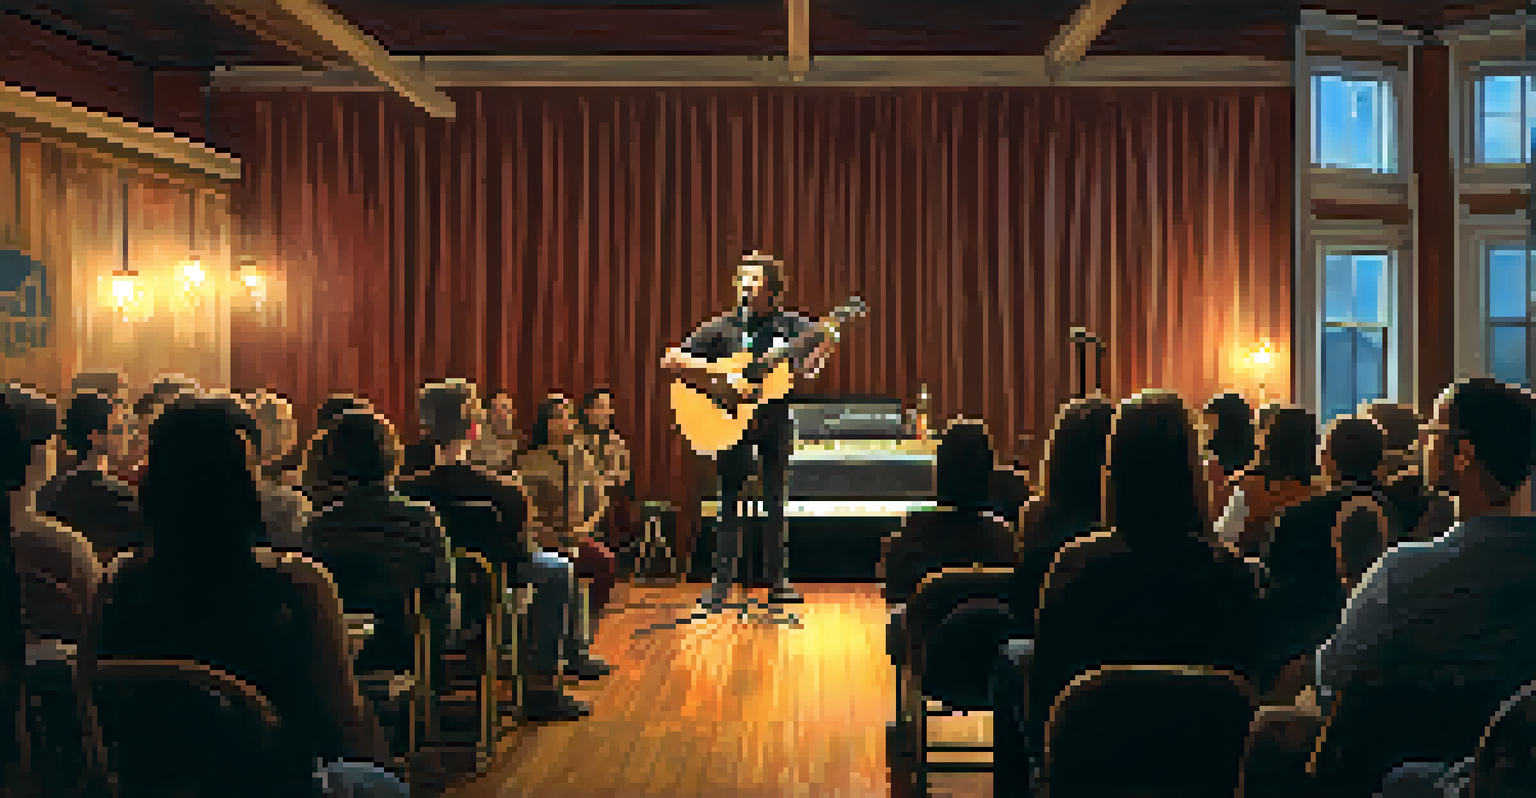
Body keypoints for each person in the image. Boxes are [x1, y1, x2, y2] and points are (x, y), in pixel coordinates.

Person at [1315, 378, 1536, 783]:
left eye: (1431, 433)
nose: (1422, 445)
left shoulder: (1401, 576)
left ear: (1463, 454)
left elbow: (1333, 677)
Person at [399, 380, 588, 721]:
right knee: (559, 570)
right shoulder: (504, 490)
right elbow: (518, 552)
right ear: (473, 429)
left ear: (426, 427)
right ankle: (542, 687)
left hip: (425, 596)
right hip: (487, 591)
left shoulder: (404, 490)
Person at [659, 250, 835, 612]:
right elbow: (671, 360)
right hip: (730, 419)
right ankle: (720, 587)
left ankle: (778, 583)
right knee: (728, 503)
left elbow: (809, 371)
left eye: (754, 279)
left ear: (772, 288)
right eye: (743, 278)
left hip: (774, 420)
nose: (746, 284)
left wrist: (826, 344)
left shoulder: (792, 326)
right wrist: (723, 376)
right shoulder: (721, 328)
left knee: (775, 504)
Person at [517, 395, 613, 682]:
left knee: (604, 563)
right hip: (544, 538)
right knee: (562, 569)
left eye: (567, 415)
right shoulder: (529, 460)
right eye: (557, 416)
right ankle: (567, 650)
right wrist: (547, 535)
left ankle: (580, 643)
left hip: (577, 534)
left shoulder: (582, 456)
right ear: (545, 423)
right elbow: (524, 509)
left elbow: (599, 499)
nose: (564, 422)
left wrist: (586, 528)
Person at [36, 391, 147, 567]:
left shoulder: (48, 491)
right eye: (119, 429)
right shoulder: (121, 497)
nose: (127, 437)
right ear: (95, 436)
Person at [577, 387, 629, 603]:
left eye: (608, 407)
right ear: (588, 411)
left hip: (605, 500)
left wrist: (606, 479)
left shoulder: (616, 442)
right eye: (600, 406)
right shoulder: (575, 440)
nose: (606, 412)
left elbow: (623, 475)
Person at [469, 393, 522, 475]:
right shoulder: (478, 438)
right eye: (497, 411)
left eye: (507, 410)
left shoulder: (517, 440)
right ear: (489, 414)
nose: (503, 415)